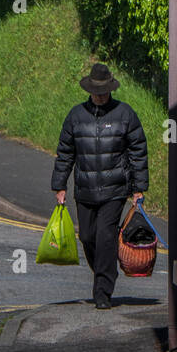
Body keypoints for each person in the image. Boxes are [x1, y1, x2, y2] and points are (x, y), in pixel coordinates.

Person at [51, 62, 148, 310]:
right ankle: (105, 270)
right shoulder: (76, 116)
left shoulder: (125, 114)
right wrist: (59, 185)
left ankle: (102, 290)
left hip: (114, 190)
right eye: (97, 91)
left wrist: (138, 188)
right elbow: (65, 152)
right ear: (90, 90)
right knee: (86, 236)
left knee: (105, 237)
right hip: (84, 189)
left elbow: (138, 151)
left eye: (105, 91)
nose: (101, 96)